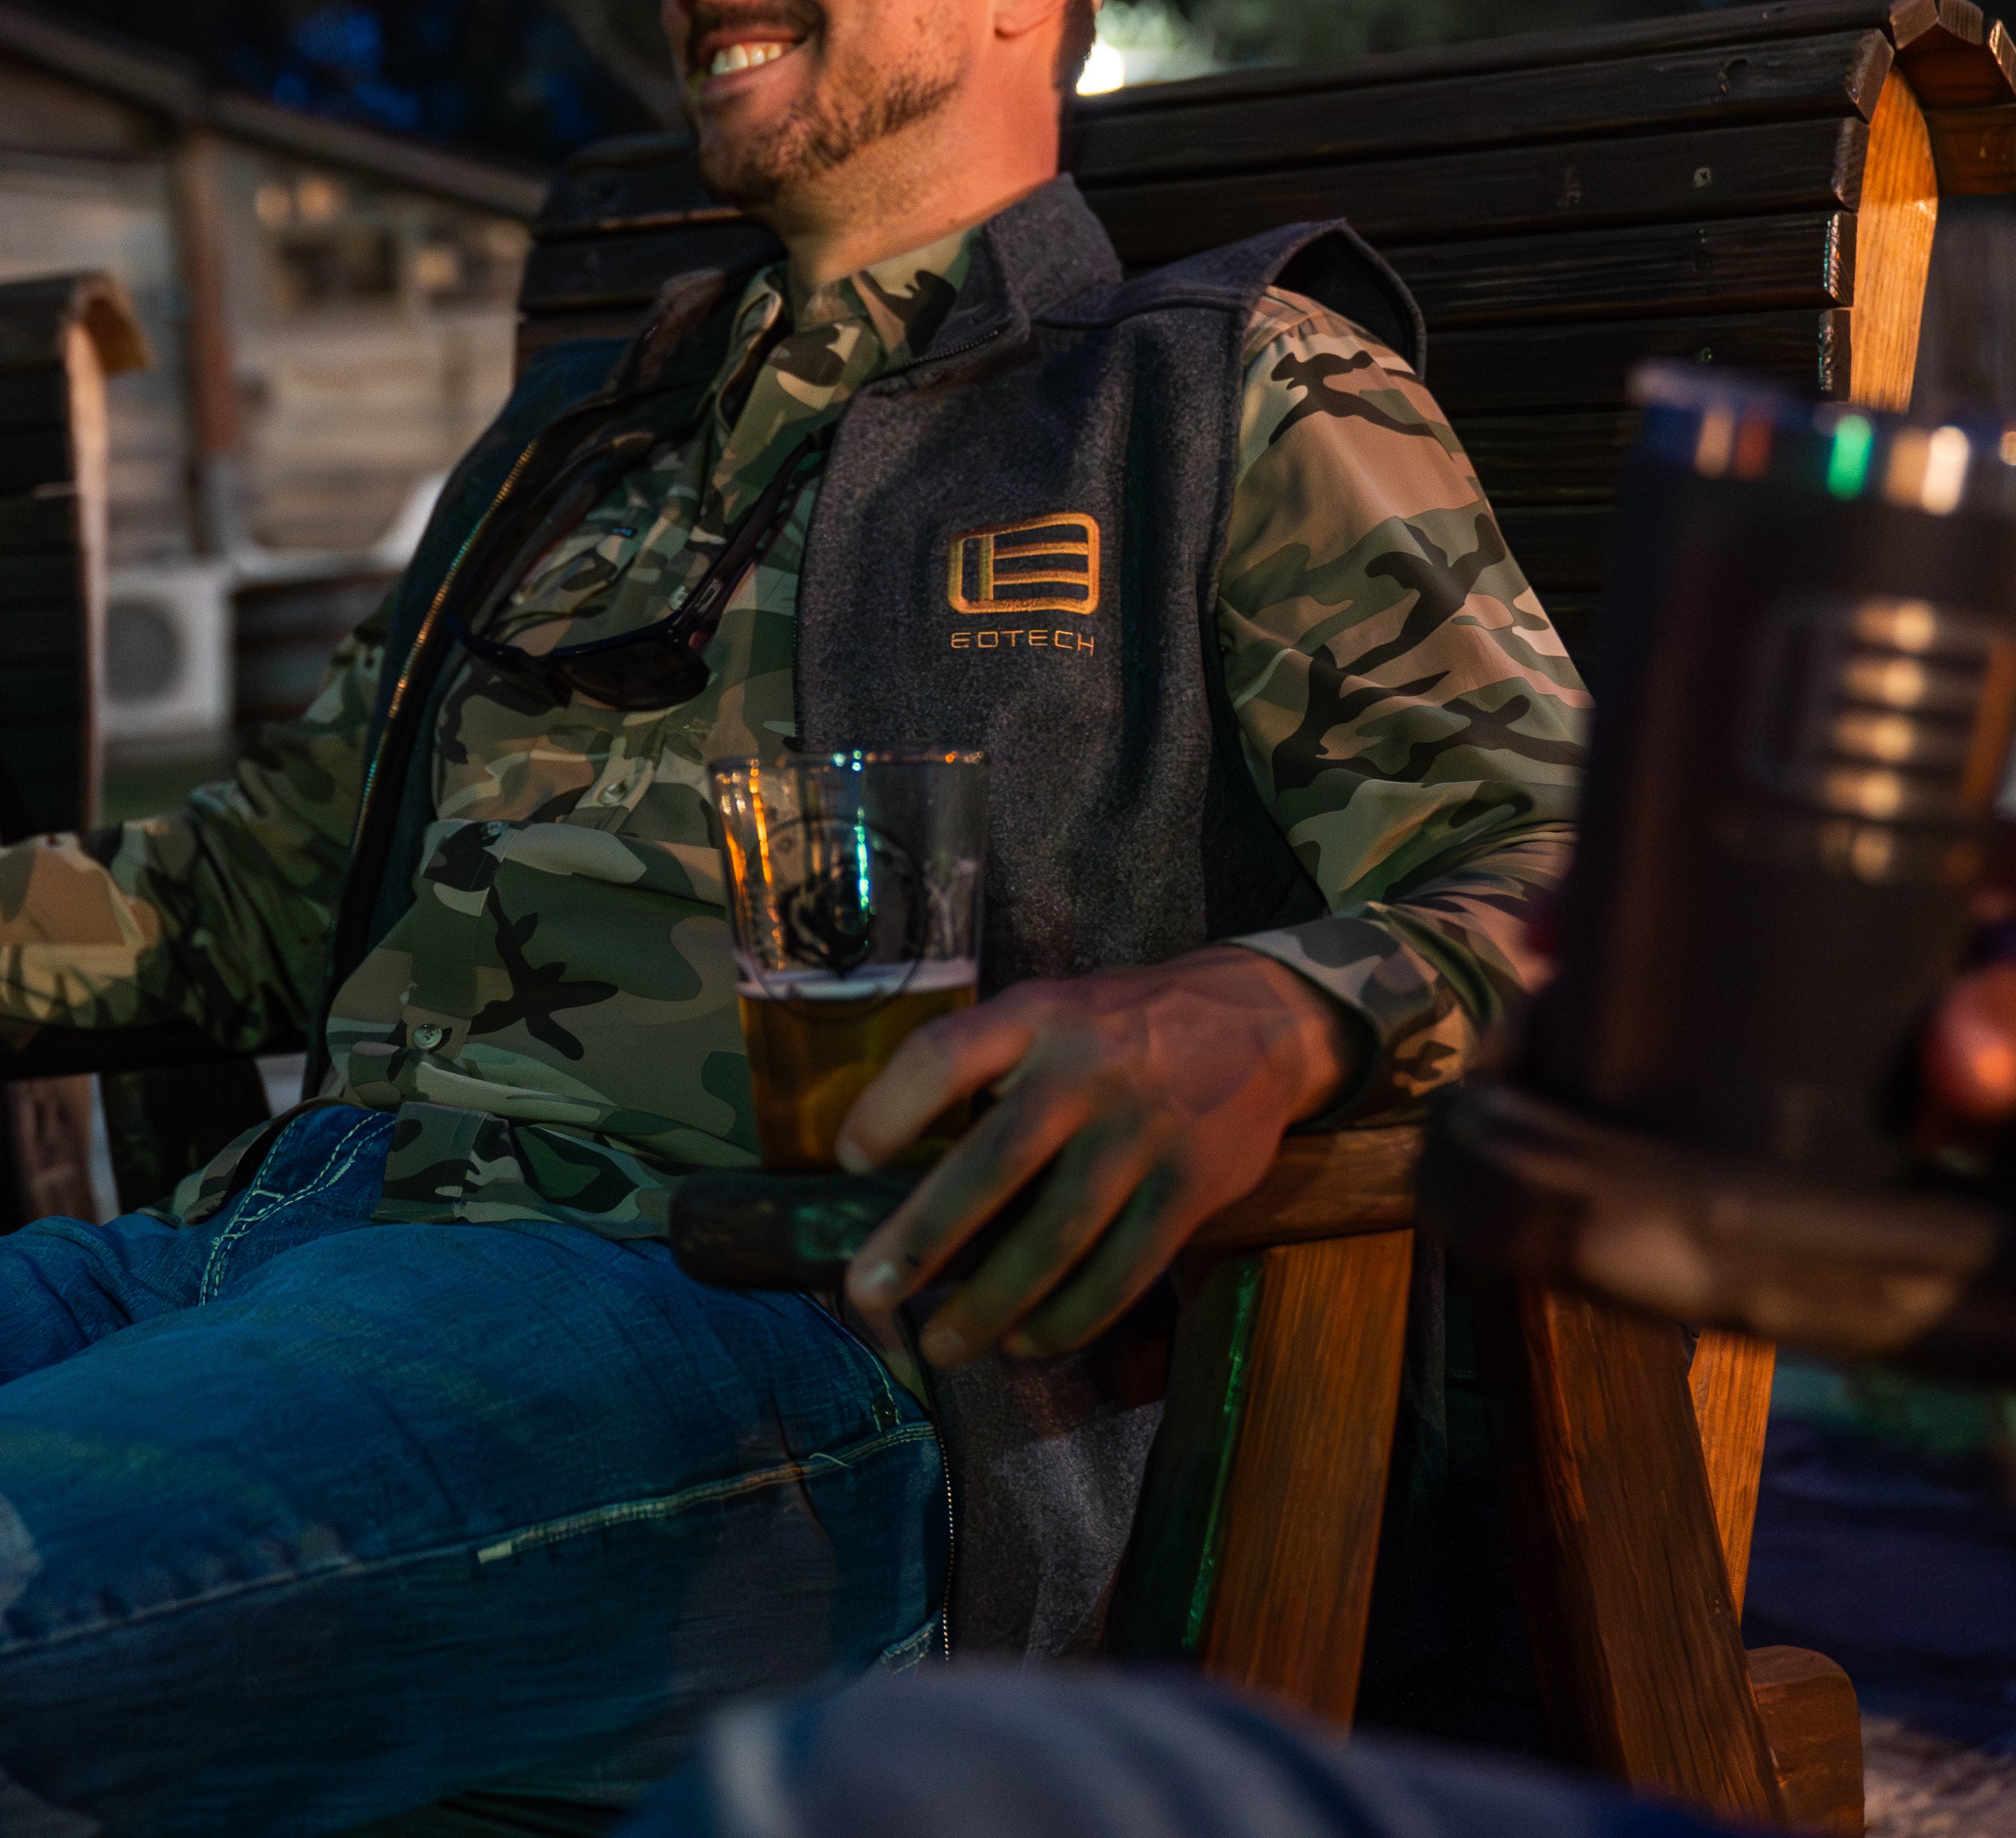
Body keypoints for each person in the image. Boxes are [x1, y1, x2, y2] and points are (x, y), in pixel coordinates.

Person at [0, 0, 1584, 1828]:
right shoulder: (573, 449)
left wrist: (1266, 1012)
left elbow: (1582, 885)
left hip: (751, 1335)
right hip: (235, 1254)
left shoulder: (1215, 391)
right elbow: (248, 886)